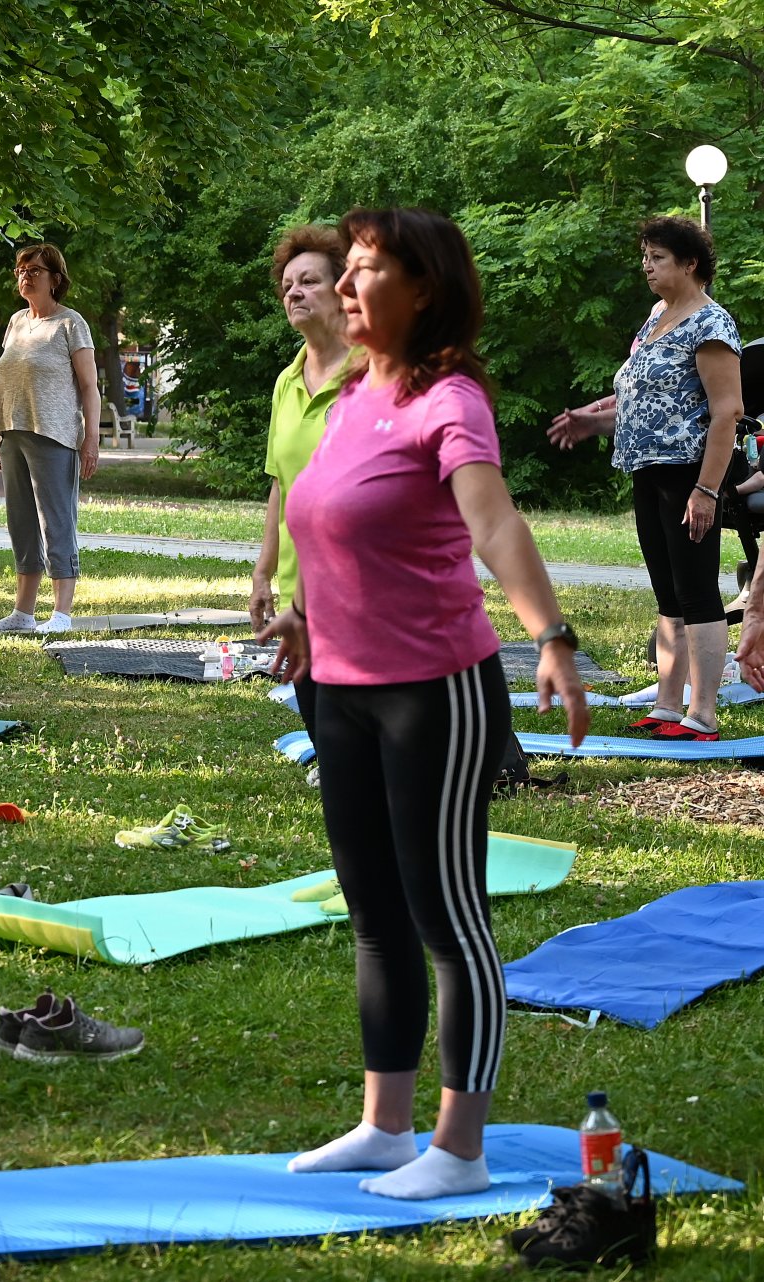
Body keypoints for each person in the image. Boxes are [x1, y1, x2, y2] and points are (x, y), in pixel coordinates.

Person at [261, 208, 590, 1200]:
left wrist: (552, 636)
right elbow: (323, 520)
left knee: (449, 916)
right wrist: (305, 620)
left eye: (367, 273)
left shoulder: (448, 398)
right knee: (373, 913)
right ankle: (384, 1126)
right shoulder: (353, 393)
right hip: (341, 688)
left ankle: (459, 1144)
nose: (348, 288)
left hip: (431, 694)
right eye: (345, 272)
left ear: (422, 290)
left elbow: (493, 521)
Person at [549, 216, 743, 740]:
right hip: (647, 468)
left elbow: (727, 412)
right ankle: (666, 703)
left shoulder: (710, 324)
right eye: (645, 257)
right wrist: (595, 421)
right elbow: (643, 400)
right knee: (667, 592)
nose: (647, 266)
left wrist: (706, 490)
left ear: (690, 263)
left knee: (696, 589)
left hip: (689, 473)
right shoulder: (657, 315)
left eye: (657, 257)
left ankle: (702, 714)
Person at [251, 226, 361, 744]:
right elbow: (281, 484)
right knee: (322, 720)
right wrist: (263, 572)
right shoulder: (286, 382)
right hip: (302, 590)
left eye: (309, 281)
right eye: (288, 284)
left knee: (364, 720)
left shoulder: (374, 374)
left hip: (363, 589)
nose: (293, 291)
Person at [0, 243, 101, 634]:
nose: (26, 275)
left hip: (54, 433)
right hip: (13, 432)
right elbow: (5, 380)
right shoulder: (15, 322)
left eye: (35, 270)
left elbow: (90, 386)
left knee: (56, 521)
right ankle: (23, 613)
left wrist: (91, 437)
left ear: (56, 280)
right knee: (21, 521)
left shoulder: (70, 324)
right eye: (22, 269)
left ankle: (61, 614)